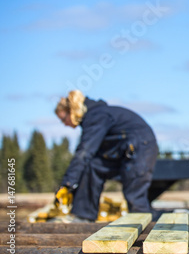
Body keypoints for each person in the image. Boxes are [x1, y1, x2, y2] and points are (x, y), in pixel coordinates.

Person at [54, 90, 158, 222]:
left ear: (71, 111)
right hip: (123, 150)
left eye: (63, 119)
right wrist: (72, 187)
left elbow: (84, 152)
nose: (64, 123)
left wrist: (67, 184)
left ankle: (145, 231)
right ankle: (83, 216)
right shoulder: (94, 116)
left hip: (140, 148)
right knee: (92, 167)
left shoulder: (96, 116)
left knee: (134, 194)